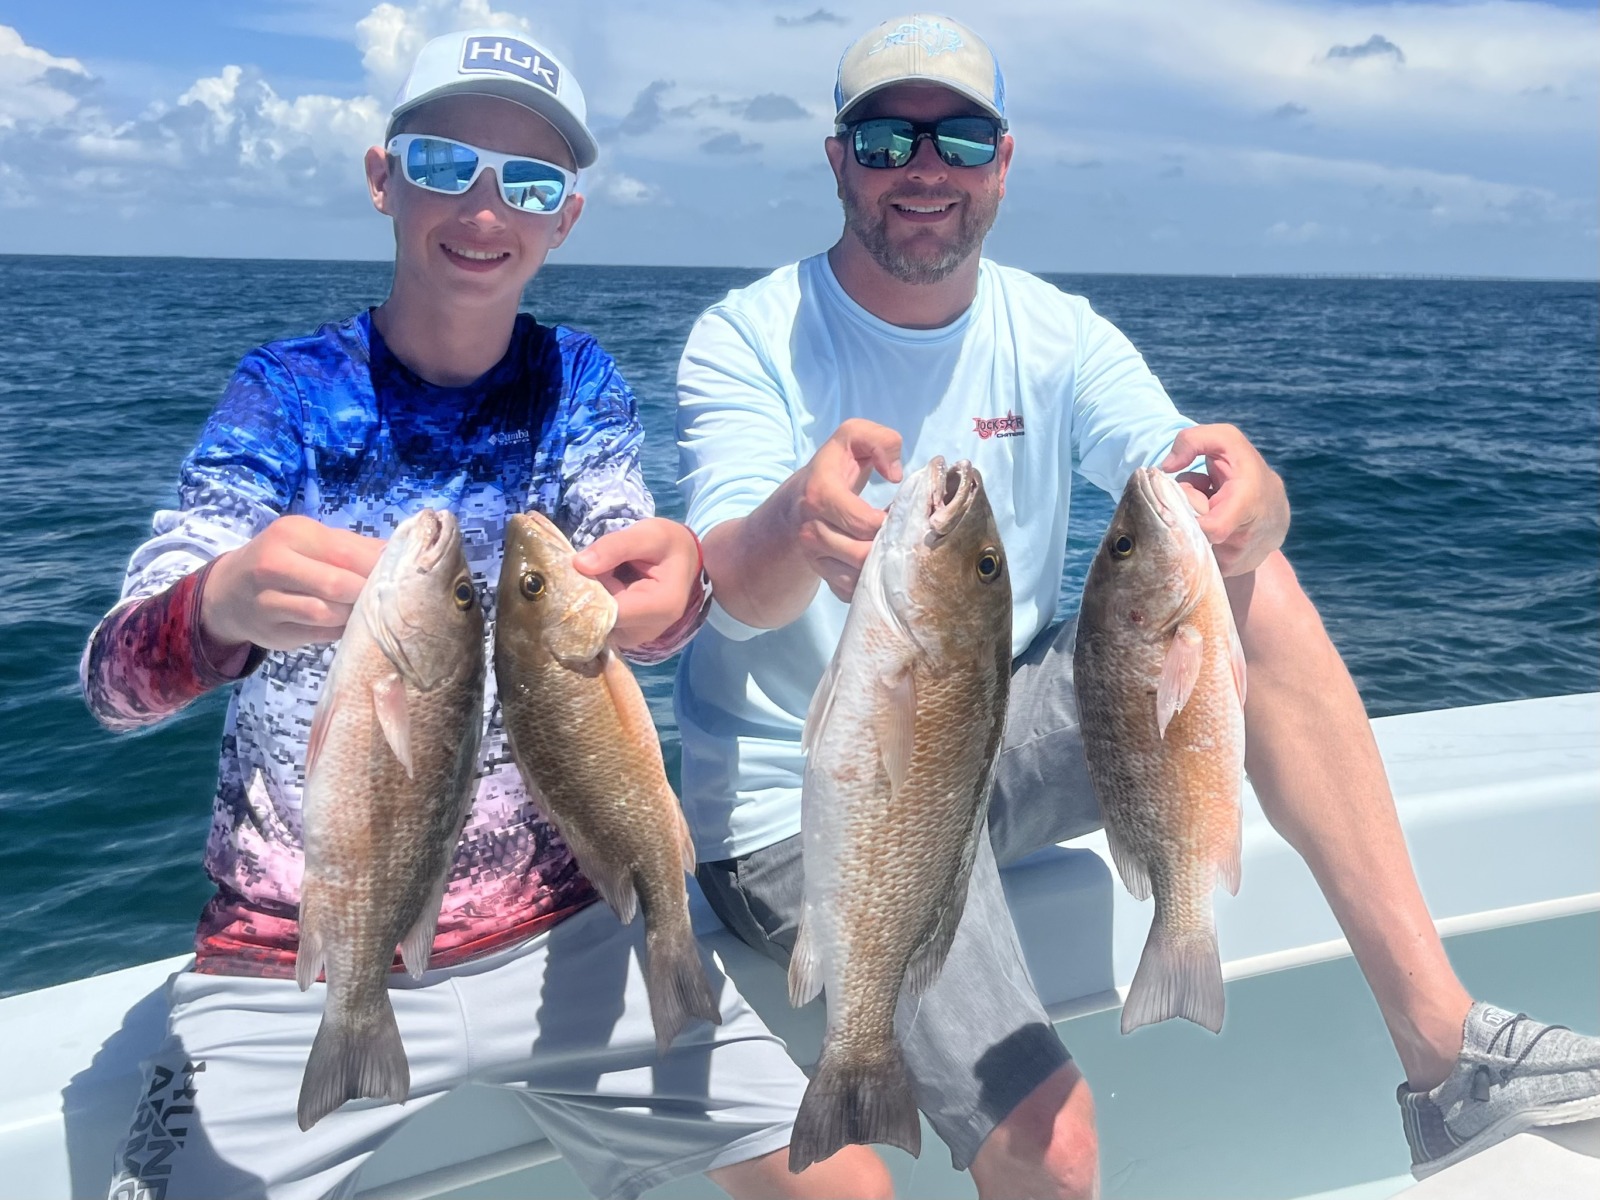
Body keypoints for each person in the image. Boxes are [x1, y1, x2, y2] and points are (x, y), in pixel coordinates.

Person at [673, 13, 1600, 1197]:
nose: (924, 169)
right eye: (886, 138)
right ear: (836, 157)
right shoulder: (746, 339)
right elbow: (728, 594)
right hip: (807, 806)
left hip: (976, 736)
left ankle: (1442, 1053)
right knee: (1053, 1147)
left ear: (1003, 161)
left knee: (1227, 585)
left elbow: (1185, 479)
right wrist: (789, 531)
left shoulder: (1055, 332)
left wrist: (1249, 501)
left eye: (958, 139)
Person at [82, 27, 891, 1200]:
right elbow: (114, 687)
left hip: (571, 940)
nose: (484, 205)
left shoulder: (579, 385)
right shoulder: (286, 396)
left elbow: (637, 615)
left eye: (528, 180)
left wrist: (682, 585)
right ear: (381, 178)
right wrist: (214, 604)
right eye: (446, 162)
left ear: (565, 217)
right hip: (299, 958)